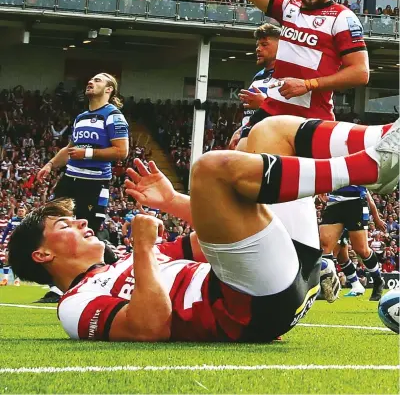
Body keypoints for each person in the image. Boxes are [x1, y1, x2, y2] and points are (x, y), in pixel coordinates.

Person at [8, 116, 399, 342]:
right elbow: (149, 327)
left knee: (266, 132)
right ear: (42, 255)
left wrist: (172, 203)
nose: (79, 222)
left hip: (282, 275)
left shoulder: (128, 261)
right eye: (63, 224)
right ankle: (368, 169)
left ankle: (386, 139)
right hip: (250, 308)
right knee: (210, 169)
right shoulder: (73, 305)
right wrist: (144, 250)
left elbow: (216, 235)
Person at [226, 0, 369, 123]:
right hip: (272, 111)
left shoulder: (342, 17)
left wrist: (308, 84)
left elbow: (360, 73)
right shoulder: (288, 6)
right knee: (234, 151)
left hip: (311, 119)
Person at [35, 73, 129, 302]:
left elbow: (121, 151)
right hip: (70, 179)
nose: (91, 82)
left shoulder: (113, 117)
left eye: (98, 80)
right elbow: (69, 148)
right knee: (54, 225)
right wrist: (49, 165)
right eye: (90, 79)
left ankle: (108, 273)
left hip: (94, 183)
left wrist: (87, 153)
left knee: (88, 231)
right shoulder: (81, 117)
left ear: (109, 90)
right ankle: (58, 284)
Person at [319, 188, 386, 300]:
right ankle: (328, 288)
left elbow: (368, 195)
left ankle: (378, 281)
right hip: (334, 202)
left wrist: (376, 218)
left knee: (361, 250)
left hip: (355, 202)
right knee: (325, 246)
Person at [238, 23, 281, 127]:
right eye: (257, 45)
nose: (258, 49)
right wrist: (240, 131)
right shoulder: (258, 77)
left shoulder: (289, 76)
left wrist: (264, 104)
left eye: (264, 45)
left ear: (281, 47)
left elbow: (297, 118)